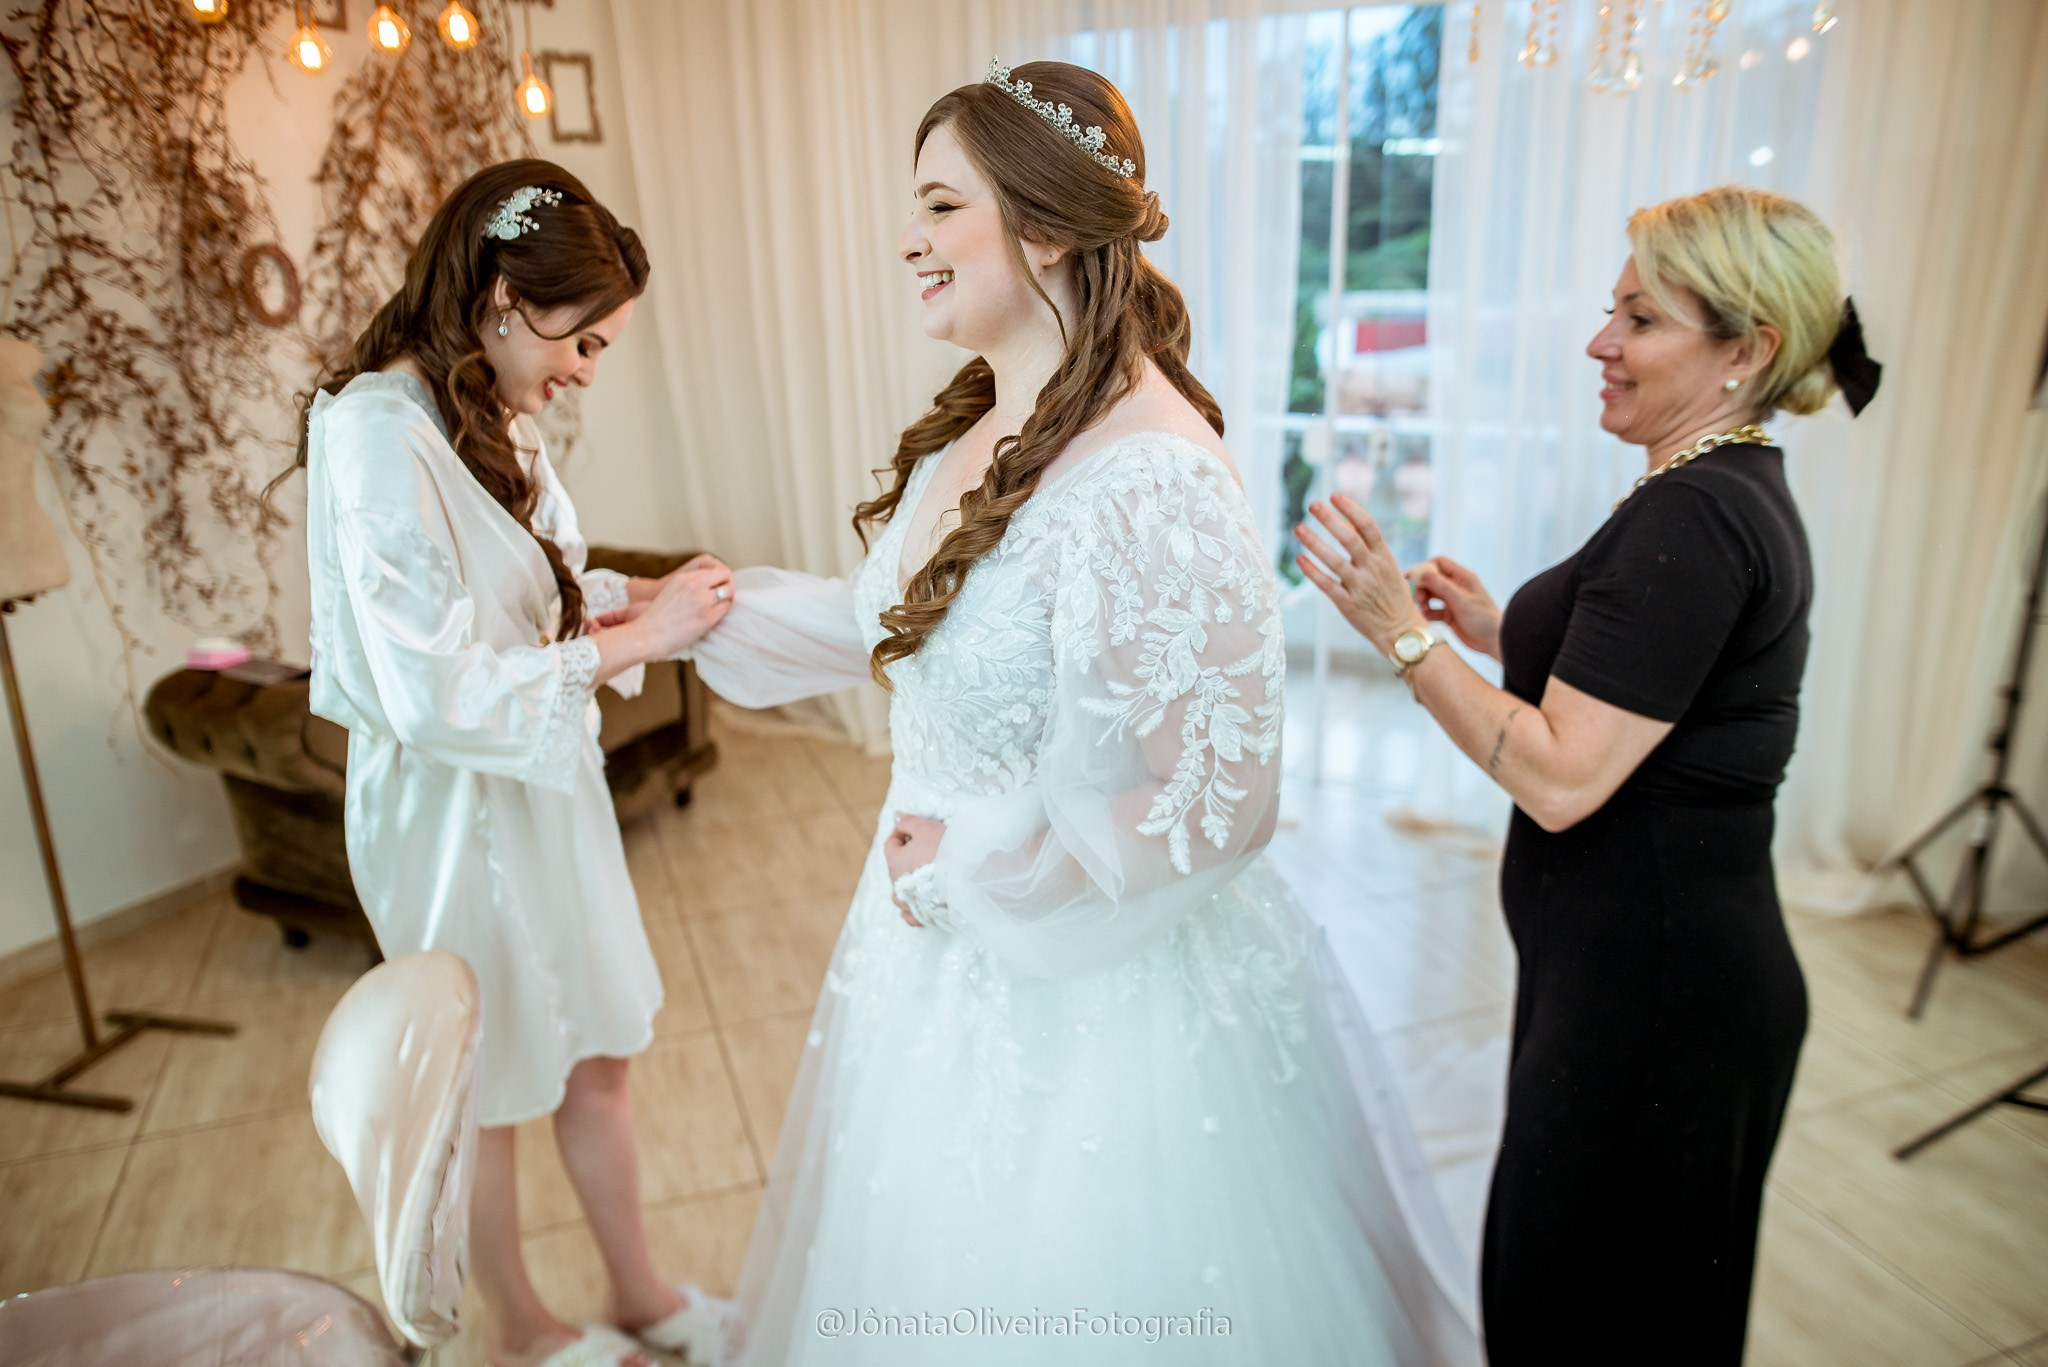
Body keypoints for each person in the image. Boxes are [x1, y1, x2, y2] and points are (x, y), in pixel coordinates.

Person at [674, 61, 1479, 1365]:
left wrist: (977, 869)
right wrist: (690, 616)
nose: (907, 240)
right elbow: (901, 620)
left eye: (941, 207)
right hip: (936, 961)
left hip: (1099, 1001)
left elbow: (1219, 800)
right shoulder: (978, 425)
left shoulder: (1149, 471)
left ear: (1042, 228)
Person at [1295, 185, 1881, 1364]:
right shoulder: (1715, 494)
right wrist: (1499, 626)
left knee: (1580, 1319)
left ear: (1745, 350)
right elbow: (1656, 684)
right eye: (1610, 311)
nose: (1597, 343)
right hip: (1650, 991)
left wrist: (1397, 637)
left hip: (1657, 1019)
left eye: (1639, 319)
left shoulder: (1693, 520)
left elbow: (1563, 779)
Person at [290, 159, 740, 1367]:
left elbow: (527, 594)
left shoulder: (492, 410)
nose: (585, 372)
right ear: (498, 290)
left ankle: (639, 1286)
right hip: (445, 811)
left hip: (543, 782)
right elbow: (429, 680)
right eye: (581, 340)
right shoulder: (369, 431)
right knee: (480, 1088)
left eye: (602, 349)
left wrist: (629, 594)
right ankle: (518, 1325)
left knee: (597, 1043)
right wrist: (643, 639)